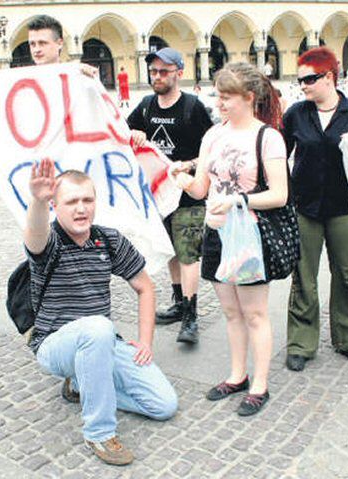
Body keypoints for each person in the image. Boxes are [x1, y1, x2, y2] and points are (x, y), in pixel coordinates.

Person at [25, 160, 177, 465]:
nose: (81, 209)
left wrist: (145, 343)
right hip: (55, 345)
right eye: (71, 202)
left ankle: (84, 383)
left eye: (87, 200)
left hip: (102, 341)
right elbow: (35, 235)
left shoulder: (108, 240)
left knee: (164, 405)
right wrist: (37, 203)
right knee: (97, 327)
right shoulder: (51, 241)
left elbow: (145, 287)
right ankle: (99, 432)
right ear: (56, 205)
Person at [171, 62, 287, 416]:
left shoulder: (267, 137)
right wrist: (183, 181)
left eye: (226, 97)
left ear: (249, 98)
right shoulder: (213, 136)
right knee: (231, 312)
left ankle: (260, 384)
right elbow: (203, 187)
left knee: (254, 313)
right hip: (218, 233)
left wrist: (239, 200)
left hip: (249, 233)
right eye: (217, 96)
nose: (218, 103)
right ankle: (237, 375)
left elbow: (281, 194)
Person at [282, 47, 348, 372]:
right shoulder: (295, 114)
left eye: (309, 78)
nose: (303, 85)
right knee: (303, 278)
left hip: (345, 207)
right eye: (300, 79)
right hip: (305, 207)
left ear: (330, 77)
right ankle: (301, 343)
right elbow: (279, 157)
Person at [127, 47, 213, 344]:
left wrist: (187, 166)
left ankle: (190, 316)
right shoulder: (146, 106)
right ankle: (178, 302)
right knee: (172, 251)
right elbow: (121, 135)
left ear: (179, 72)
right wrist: (134, 136)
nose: (158, 77)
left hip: (188, 196)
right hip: (159, 198)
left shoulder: (193, 107)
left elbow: (212, 150)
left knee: (188, 254)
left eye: (164, 71)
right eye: (153, 72)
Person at [28, 14, 97, 78]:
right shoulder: (22, 79)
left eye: (42, 43)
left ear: (59, 43)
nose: (36, 50)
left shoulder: (79, 76)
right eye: (32, 44)